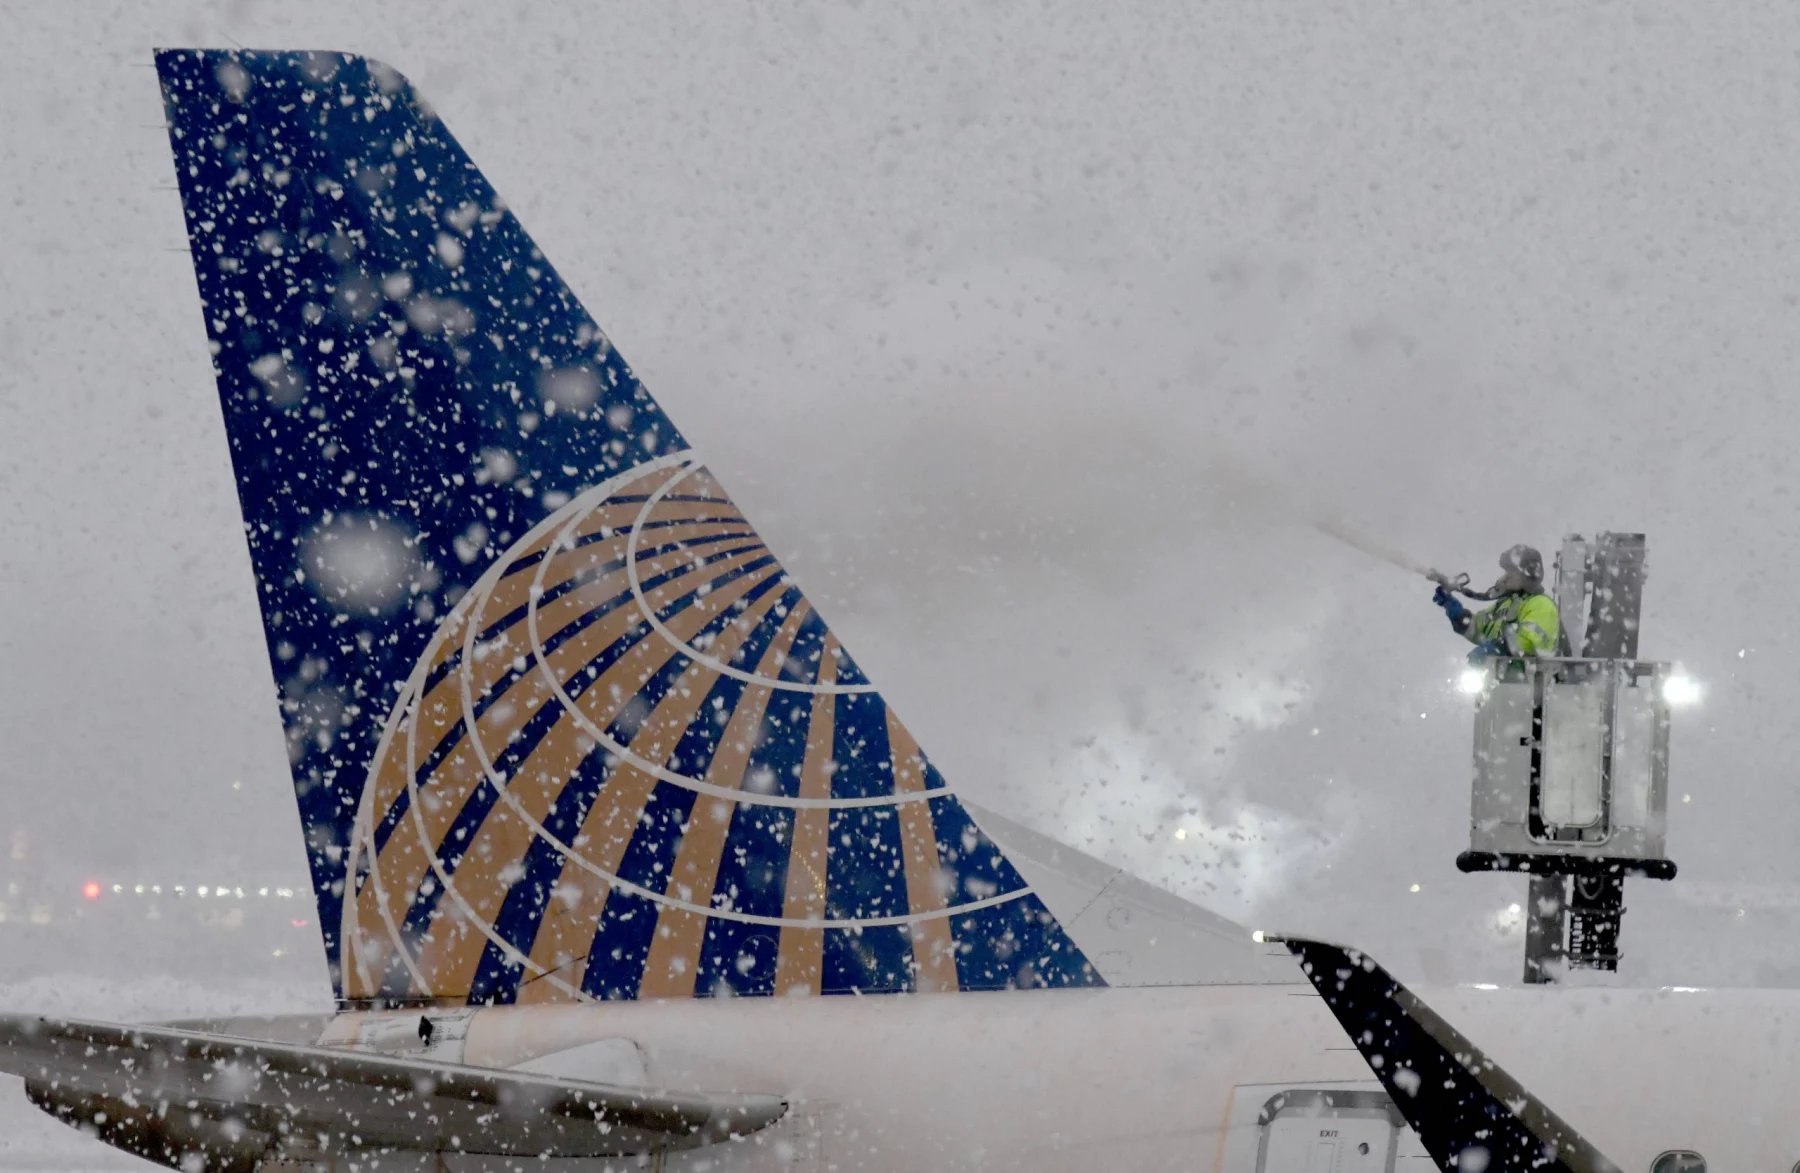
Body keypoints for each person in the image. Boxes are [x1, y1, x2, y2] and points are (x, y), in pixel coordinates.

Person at [1433, 545, 1560, 660]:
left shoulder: (1541, 605)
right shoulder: (1506, 604)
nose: (1506, 576)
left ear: (1527, 575)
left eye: (1512, 572)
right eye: (1507, 571)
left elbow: (1529, 642)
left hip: (1525, 682)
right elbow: (1478, 629)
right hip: (1496, 680)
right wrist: (1454, 610)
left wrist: (1498, 647)